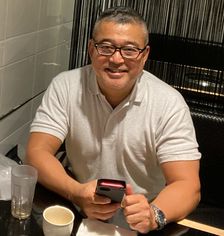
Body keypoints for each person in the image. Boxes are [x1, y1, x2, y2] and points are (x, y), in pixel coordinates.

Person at [26, 6, 201, 234]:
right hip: (79, 210)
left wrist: (153, 214)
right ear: (91, 49)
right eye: (106, 47)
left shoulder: (169, 103)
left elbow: (188, 185)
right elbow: (36, 152)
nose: (116, 59)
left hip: (144, 216)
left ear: (145, 55)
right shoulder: (65, 86)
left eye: (129, 49)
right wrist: (75, 192)